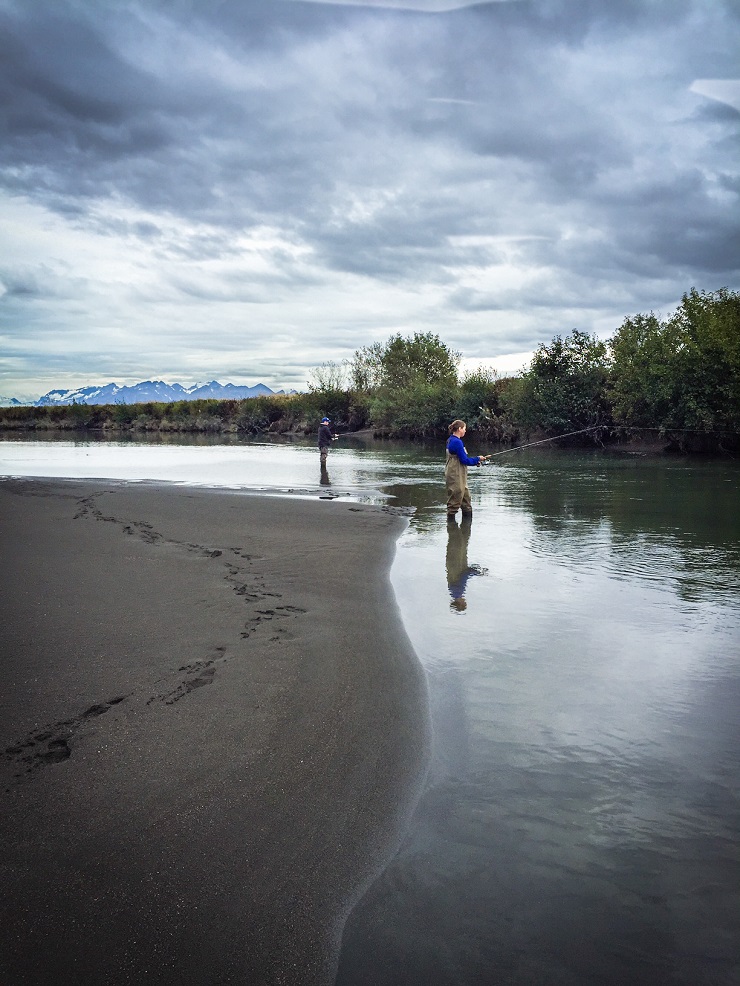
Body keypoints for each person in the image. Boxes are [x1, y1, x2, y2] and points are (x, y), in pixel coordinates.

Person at [445, 419, 488, 519]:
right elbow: (464, 460)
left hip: (456, 473)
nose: (465, 431)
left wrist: (476, 461)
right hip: (455, 474)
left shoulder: (451, 439)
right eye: (464, 429)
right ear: (459, 429)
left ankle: (466, 530)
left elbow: (463, 459)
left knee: (466, 500)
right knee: (454, 501)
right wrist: (478, 458)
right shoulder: (457, 442)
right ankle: (452, 530)